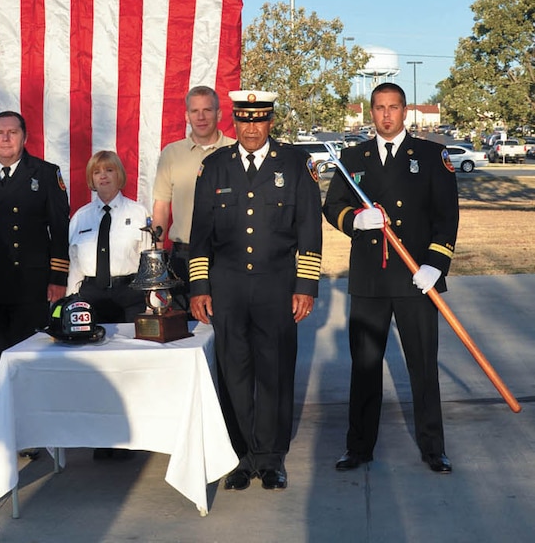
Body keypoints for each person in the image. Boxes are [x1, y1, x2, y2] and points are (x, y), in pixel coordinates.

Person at [189, 90, 322, 492]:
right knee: (234, 370)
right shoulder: (214, 167)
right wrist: (199, 285)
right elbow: (200, 235)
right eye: (244, 120)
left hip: (277, 287)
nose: (251, 129)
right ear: (235, 121)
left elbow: (309, 230)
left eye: (259, 120)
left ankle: (271, 457)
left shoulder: (297, 165)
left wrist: (306, 285)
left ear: (270, 123)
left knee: (275, 371)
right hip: (227, 288)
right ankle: (241, 457)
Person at [323, 82, 459, 474]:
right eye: (379, 108)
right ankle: (358, 446)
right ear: (371, 112)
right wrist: (356, 220)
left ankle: (434, 447)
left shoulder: (433, 156)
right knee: (364, 367)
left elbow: (446, 217)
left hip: (418, 278)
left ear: (405, 112)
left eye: (393, 107)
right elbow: (333, 207)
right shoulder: (353, 157)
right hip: (370, 281)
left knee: (422, 366)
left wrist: (436, 264)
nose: (386, 115)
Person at [0, 110, 70, 405]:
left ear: (25, 137)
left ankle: (30, 431)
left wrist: (58, 278)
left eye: (13, 132)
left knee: (27, 357)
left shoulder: (46, 173)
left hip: (30, 283)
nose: (6, 138)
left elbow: (59, 228)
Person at [152, 85, 234, 306]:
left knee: (228, 327)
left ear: (219, 114)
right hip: (184, 257)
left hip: (228, 255)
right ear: (186, 116)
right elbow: (161, 205)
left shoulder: (236, 151)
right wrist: (158, 254)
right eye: (195, 111)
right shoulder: (171, 153)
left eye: (207, 110)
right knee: (186, 330)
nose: (201, 117)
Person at [68, 150, 150, 323]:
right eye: (97, 172)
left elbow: (149, 261)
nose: (103, 176)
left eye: (109, 170)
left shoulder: (138, 213)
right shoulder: (80, 218)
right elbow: (75, 267)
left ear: (119, 174)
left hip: (130, 296)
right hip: (90, 297)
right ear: (91, 179)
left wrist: (153, 304)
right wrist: (70, 302)